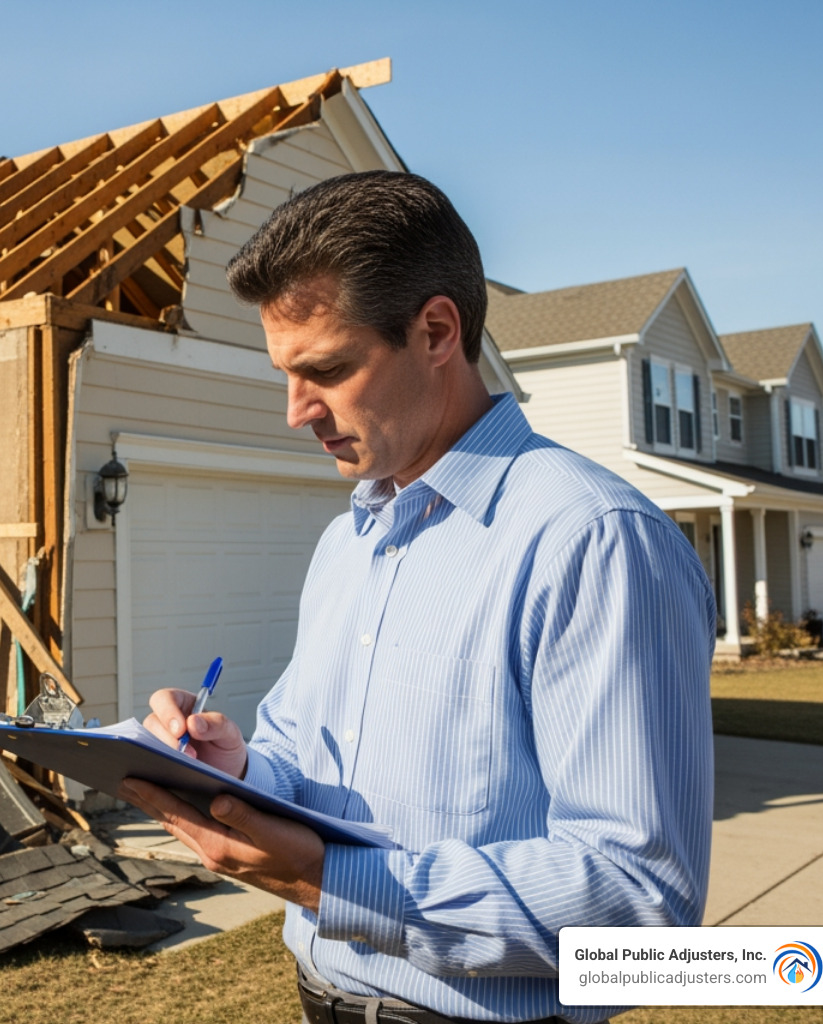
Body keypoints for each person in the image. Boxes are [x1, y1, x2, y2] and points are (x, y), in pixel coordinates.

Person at [116, 171, 716, 1024]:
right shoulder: (347, 542)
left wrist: (327, 880)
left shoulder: (593, 541)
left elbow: (639, 903)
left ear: (436, 331)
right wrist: (237, 770)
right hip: (318, 999)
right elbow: (307, 755)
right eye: (286, 373)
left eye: (327, 369)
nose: (296, 412)